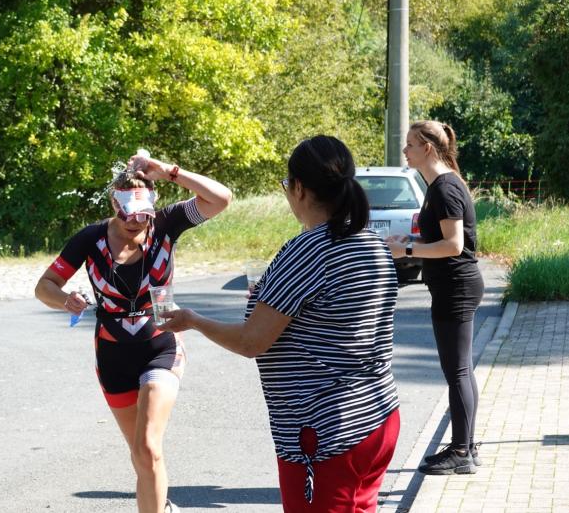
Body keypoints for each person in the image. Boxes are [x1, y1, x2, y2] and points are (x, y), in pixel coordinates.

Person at [158, 135, 400, 512]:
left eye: (287, 185)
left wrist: (193, 320)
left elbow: (251, 342)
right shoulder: (370, 243)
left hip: (324, 430)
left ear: (299, 188)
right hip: (376, 415)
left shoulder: (307, 251)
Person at [34, 152, 232, 513]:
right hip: (112, 356)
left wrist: (170, 171)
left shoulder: (166, 224)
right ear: (114, 204)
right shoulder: (90, 238)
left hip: (161, 345)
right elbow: (44, 286)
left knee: (148, 447)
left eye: (143, 216)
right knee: (140, 455)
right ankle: (162, 506)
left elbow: (220, 198)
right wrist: (65, 300)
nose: (135, 223)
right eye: (127, 215)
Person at [386, 120, 484, 475]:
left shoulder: (444, 187)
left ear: (427, 148)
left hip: (456, 288)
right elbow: (443, 240)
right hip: (452, 286)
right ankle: (466, 446)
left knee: (457, 371)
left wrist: (408, 250)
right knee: (461, 370)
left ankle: (461, 452)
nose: (405, 151)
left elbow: (454, 245)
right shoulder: (440, 185)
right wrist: (410, 244)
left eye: (410, 144)